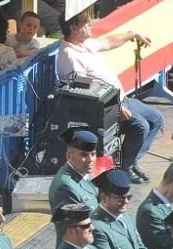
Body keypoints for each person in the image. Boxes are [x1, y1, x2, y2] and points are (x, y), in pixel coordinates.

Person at [55, 12, 163, 181]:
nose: (91, 25)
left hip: (120, 99)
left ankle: (131, 161)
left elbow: (109, 42)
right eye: (86, 23)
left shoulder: (85, 44)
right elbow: (83, 89)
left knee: (156, 119)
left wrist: (132, 34)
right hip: (102, 108)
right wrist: (116, 106)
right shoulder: (69, 54)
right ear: (73, 28)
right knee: (140, 126)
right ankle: (124, 167)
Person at [48, 127, 100, 214]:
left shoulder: (84, 173)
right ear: (69, 156)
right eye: (84, 155)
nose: (90, 159)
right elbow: (80, 224)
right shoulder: (65, 188)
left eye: (93, 154)